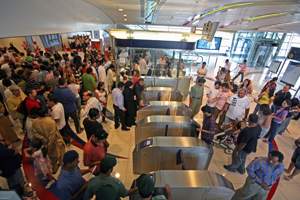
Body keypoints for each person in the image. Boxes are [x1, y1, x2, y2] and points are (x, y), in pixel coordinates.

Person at [31, 108, 66, 173]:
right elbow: (52, 136)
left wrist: (42, 138)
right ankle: (62, 164)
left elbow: (34, 133)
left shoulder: (34, 122)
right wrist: (49, 146)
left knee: (52, 158)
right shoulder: (51, 122)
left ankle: (54, 169)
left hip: (44, 142)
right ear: (46, 113)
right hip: (55, 142)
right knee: (60, 155)